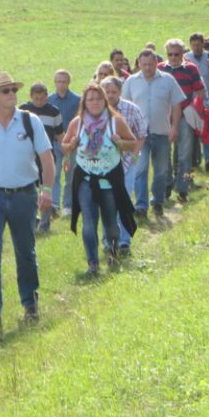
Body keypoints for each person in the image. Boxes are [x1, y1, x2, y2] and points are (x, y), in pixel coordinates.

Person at [0, 73, 54, 327]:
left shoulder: (30, 121)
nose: (11, 94)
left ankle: (30, 304)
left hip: (25, 194)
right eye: (5, 90)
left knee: (25, 252)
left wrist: (48, 190)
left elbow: (46, 158)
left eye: (13, 89)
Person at [61, 83, 139, 274]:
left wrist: (120, 142)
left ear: (105, 101)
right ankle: (93, 263)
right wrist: (71, 144)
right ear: (84, 103)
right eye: (90, 99)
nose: (95, 103)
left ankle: (113, 253)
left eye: (98, 98)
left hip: (109, 178)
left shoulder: (115, 121)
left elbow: (133, 144)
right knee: (89, 220)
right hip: (86, 179)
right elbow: (63, 146)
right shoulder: (76, 123)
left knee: (110, 221)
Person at [122, 48, 185, 217]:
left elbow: (177, 105)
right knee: (140, 169)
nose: (148, 68)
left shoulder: (168, 80)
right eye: (144, 64)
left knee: (161, 170)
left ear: (156, 63)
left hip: (161, 132)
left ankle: (157, 201)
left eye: (150, 64)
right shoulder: (131, 82)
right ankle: (141, 206)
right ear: (139, 64)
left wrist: (175, 127)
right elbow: (124, 107)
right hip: (138, 136)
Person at [101, 76, 147, 255]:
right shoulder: (95, 111)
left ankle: (124, 241)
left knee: (124, 201)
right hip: (103, 166)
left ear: (120, 92)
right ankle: (108, 241)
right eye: (107, 92)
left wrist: (135, 155)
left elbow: (142, 134)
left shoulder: (131, 109)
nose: (110, 95)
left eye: (114, 92)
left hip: (126, 164)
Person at [158, 38, 204, 203]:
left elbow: (200, 91)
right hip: (164, 118)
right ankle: (168, 184)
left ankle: (183, 189)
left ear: (183, 53)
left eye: (176, 54)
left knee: (185, 155)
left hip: (185, 116)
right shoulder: (160, 69)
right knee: (164, 154)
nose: (173, 57)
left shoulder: (191, 69)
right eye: (170, 54)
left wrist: (197, 110)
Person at [20, 82, 65, 234]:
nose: (39, 102)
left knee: (46, 188)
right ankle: (33, 219)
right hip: (27, 156)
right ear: (31, 97)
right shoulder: (23, 110)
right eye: (36, 99)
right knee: (28, 190)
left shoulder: (54, 112)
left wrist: (67, 154)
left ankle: (45, 223)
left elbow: (60, 135)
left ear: (47, 96)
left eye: (42, 98)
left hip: (46, 155)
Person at [185, 32, 209, 171]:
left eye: (198, 44)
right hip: (192, 98)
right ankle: (196, 158)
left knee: (208, 127)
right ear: (190, 45)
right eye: (193, 45)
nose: (196, 47)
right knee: (193, 128)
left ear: (203, 44)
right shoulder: (186, 58)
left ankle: (208, 158)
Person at [48, 70, 81, 216]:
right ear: (54, 82)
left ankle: (68, 205)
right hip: (54, 143)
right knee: (54, 174)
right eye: (58, 81)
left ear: (69, 82)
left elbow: (80, 120)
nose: (61, 84)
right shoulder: (49, 100)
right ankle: (54, 203)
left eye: (64, 81)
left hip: (71, 144)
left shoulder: (77, 100)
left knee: (70, 175)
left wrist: (74, 139)